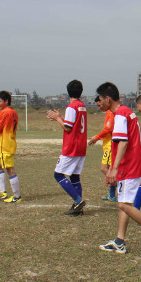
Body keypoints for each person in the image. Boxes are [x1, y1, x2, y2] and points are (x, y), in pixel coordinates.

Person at [96, 82, 141, 255]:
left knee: (124, 205)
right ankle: (119, 241)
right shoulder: (127, 112)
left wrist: (114, 169)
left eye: (100, 99)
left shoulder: (120, 114)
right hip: (131, 164)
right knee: (124, 203)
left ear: (108, 98)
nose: (99, 103)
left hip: (129, 165)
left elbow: (123, 142)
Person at [46, 80, 87, 215]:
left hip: (72, 146)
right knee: (74, 176)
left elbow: (68, 128)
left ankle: (78, 201)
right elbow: (74, 124)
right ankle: (78, 208)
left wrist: (57, 119)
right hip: (81, 146)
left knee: (58, 175)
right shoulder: (82, 106)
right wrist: (61, 117)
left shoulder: (72, 106)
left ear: (68, 92)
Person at [88, 96, 116, 202]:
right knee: (109, 170)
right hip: (108, 145)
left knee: (104, 169)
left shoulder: (110, 112)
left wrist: (96, 137)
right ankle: (112, 195)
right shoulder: (109, 112)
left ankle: (120, 185)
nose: (99, 108)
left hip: (110, 146)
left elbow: (108, 129)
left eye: (100, 105)